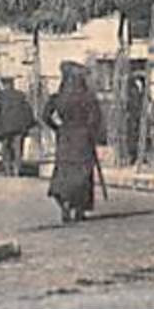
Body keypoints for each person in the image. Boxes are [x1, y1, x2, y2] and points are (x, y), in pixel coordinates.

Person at [43, 62, 105, 223]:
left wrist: (58, 128)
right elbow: (96, 119)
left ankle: (64, 203)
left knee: (64, 172)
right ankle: (79, 209)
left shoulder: (59, 97)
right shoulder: (88, 97)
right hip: (83, 139)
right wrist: (90, 133)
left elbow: (45, 116)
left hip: (65, 138)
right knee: (82, 174)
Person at [0, 81, 36, 177]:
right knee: (18, 148)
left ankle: (7, 171)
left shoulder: (0, 96)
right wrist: (29, 124)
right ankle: (16, 171)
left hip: (5, 126)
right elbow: (28, 110)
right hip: (19, 126)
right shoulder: (21, 96)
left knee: (5, 148)